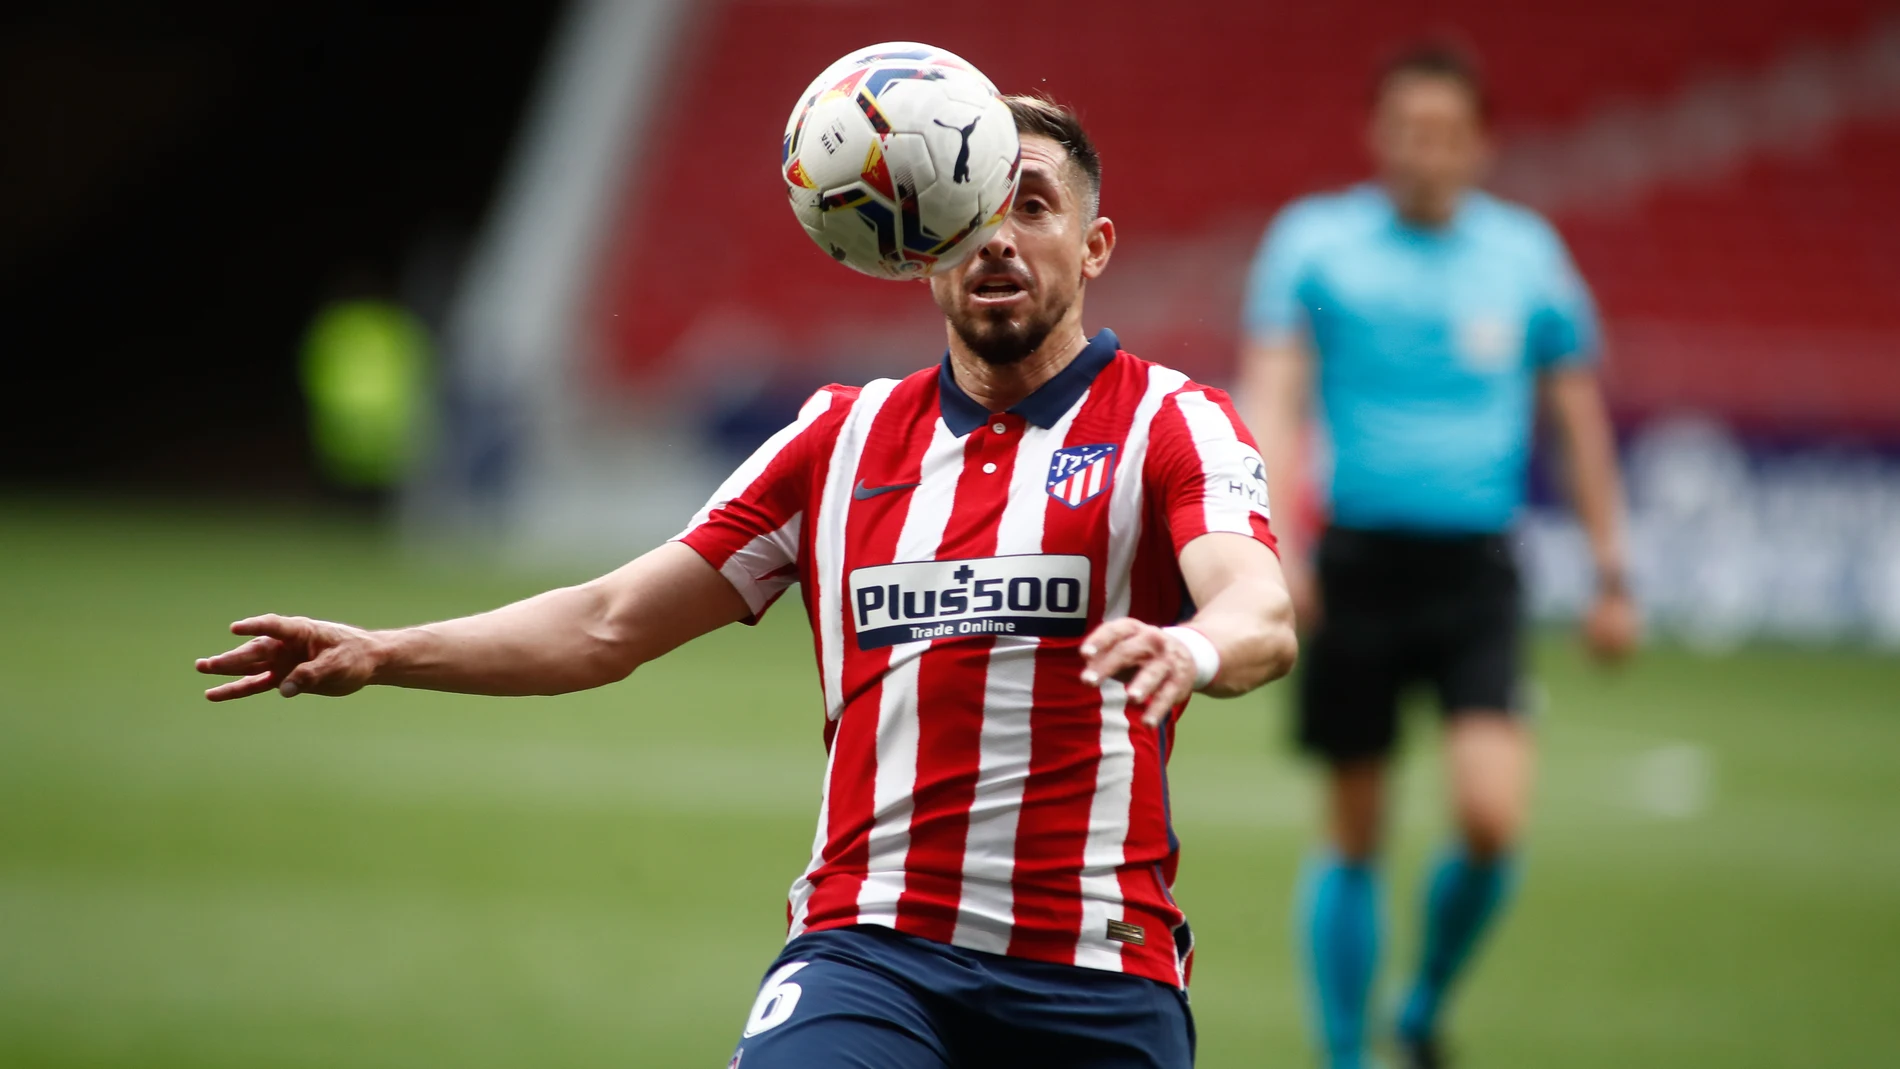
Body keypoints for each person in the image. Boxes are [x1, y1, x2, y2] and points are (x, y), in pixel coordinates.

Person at [198, 96, 1297, 1069]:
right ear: (917, 242)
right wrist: (386, 652)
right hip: (871, 954)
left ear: (1094, 243)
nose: (997, 237)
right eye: (964, 210)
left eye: (1033, 205)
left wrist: (1190, 647)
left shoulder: (1168, 422)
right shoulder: (839, 439)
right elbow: (608, 621)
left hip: (1096, 973)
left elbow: (1257, 606)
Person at [1236, 45, 1638, 1069]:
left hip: (1476, 574)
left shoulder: (1527, 257)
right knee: (1355, 828)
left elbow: (1577, 416)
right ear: (1379, 137)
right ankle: (1343, 1054)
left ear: (1481, 143)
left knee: (1491, 818)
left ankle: (1416, 1006)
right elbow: (1271, 397)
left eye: (1447, 132)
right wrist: (1275, 543)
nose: (1428, 151)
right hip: (1357, 566)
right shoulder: (1315, 244)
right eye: (1410, 130)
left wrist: (1611, 571)